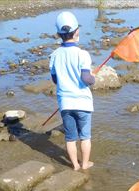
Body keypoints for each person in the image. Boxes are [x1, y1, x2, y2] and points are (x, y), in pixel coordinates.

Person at [49, 11, 96, 170]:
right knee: (85, 137)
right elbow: (86, 79)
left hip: (65, 104)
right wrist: (93, 78)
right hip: (83, 103)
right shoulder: (83, 54)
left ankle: (75, 165)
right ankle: (85, 163)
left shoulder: (54, 55)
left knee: (70, 138)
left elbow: (55, 80)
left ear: (58, 34)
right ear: (77, 32)